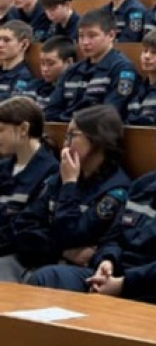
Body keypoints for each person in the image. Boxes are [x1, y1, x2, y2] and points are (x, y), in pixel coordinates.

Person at [31, 104, 156, 307]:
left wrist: (124, 283)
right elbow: (113, 237)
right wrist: (107, 262)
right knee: (45, 278)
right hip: (118, 276)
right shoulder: (144, 184)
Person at [18, 105, 131, 278]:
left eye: (72, 135)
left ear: (97, 139)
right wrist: (62, 251)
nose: (65, 143)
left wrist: (69, 184)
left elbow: (71, 234)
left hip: (79, 272)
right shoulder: (61, 175)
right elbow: (23, 227)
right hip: (43, 259)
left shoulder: (115, 190)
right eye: (66, 136)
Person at [0, 97, 59, 281]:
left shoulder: (50, 172)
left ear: (24, 129)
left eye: (1, 130)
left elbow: (26, 229)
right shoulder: (3, 167)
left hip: (21, 257)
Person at [44, 7, 137, 122]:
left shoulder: (122, 69)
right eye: (81, 36)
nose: (85, 42)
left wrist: (69, 119)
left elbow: (110, 112)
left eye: (92, 36)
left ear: (111, 35)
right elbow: (51, 111)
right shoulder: (72, 70)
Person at [0, 20, 35, 101]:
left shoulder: (24, 76)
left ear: (24, 44)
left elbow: (12, 104)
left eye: (7, 40)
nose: (0, 44)